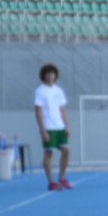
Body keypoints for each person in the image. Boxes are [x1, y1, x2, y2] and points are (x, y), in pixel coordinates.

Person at [34, 63, 72, 191]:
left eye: (52, 73)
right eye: (47, 73)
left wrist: (67, 126)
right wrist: (43, 130)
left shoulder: (58, 91)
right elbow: (38, 111)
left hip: (59, 126)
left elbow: (63, 109)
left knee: (66, 151)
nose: (50, 76)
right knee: (48, 153)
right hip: (48, 127)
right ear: (43, 76)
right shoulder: (40, 91)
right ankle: (51, 181)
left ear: (55, 75)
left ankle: (62, 177)